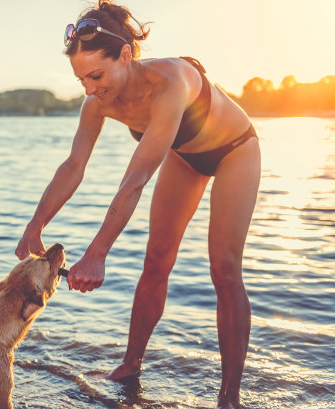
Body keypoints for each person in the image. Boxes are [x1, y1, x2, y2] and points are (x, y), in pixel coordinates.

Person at [14, 1, 260, 408]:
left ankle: (229, 395)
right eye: (81, 80)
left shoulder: (170, 84)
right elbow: (74, 165)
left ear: (125, 55)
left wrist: (97, 254)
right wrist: (35, 224)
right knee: (156, 260)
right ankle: (131, 364)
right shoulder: (97, 102)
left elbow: (136, 179)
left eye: (96, 75)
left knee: (224, 269)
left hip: (234, 150)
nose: (90, 89)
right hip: (185, 155)